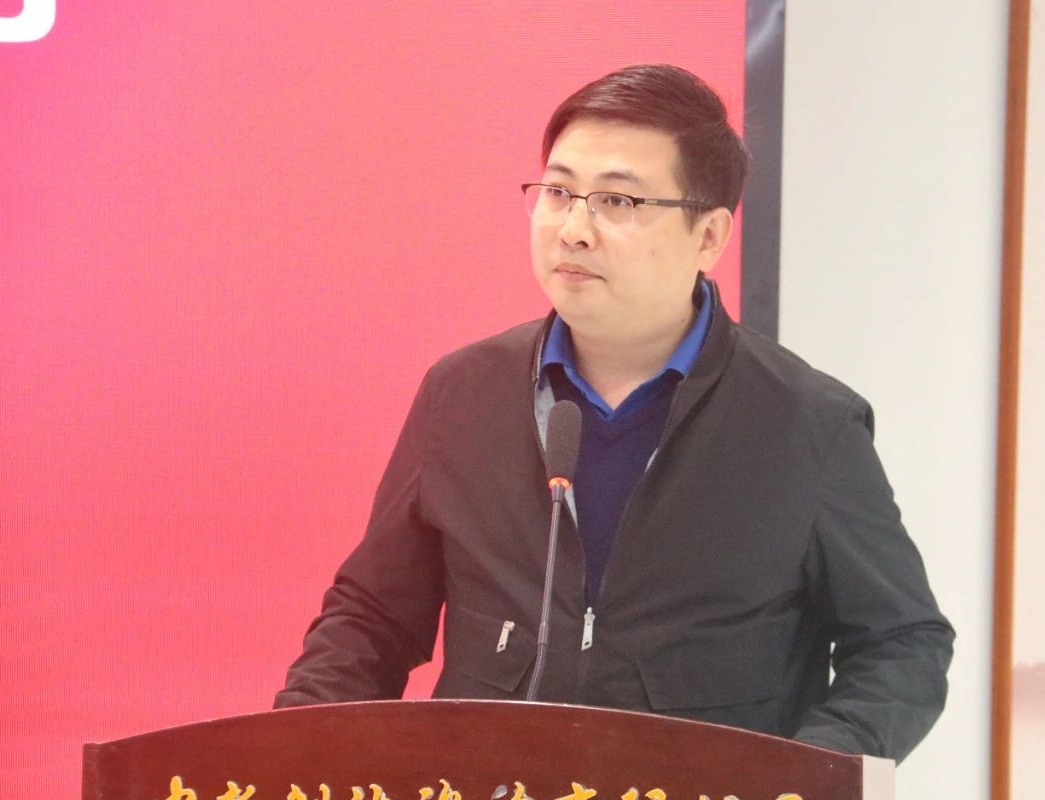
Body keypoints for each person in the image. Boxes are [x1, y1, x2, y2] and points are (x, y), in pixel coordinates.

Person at [275, 64, 953, 764]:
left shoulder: (807, 423)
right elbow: (374, 616)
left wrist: (806, 781)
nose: (574, 229)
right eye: (558, 192)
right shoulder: (463, 394)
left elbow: (903, 644)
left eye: (618, 201)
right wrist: (286, 754)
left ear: (709, 235)